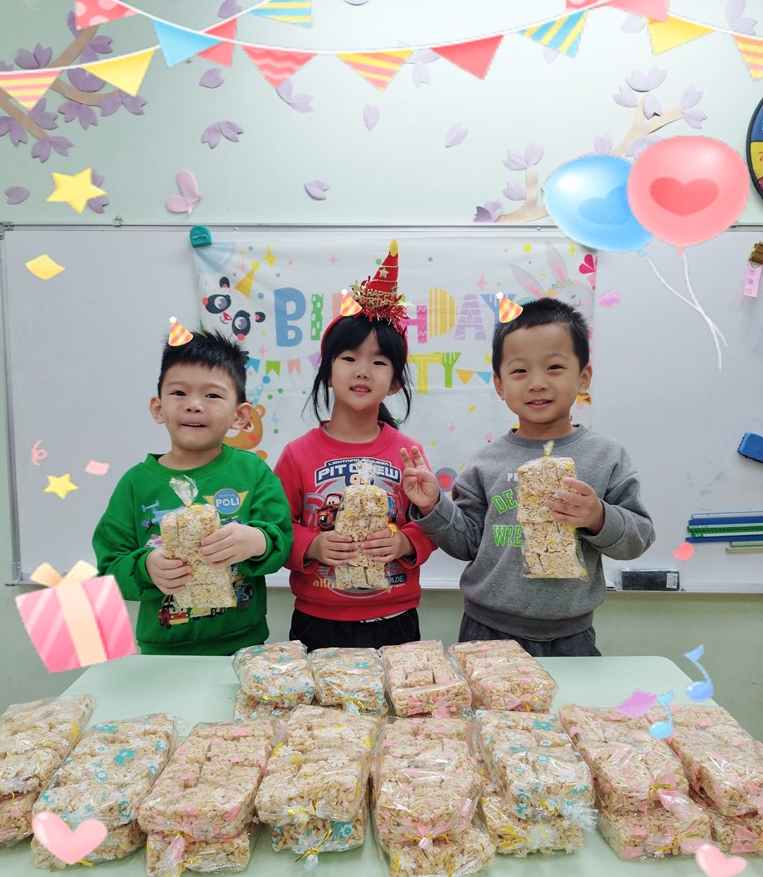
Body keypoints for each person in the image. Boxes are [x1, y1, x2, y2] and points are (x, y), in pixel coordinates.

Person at [400, 296, 655, 657]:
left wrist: (598, 516)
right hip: (487, 629)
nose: (536, 383)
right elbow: (467, 544)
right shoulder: (485, 462)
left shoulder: (606, 456)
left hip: (571, 635)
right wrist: (432, 507)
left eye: (554, 367)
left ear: (583, 377)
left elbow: (638, 538)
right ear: (500, 384)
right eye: (520, 371)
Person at [274, 240, 436, 650]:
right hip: (318, 620)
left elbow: (429, 524)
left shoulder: (408, 452)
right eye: (349, 358)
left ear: (395, 382)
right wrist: (312, 544)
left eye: (378, 362)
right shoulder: (297, 454)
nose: (363, 371)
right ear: (328, 371)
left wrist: (406, 541)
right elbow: (277, 527)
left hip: (396, 619)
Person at [93, 329, 293, 655]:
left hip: (243, 645)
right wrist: (146, 567)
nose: (194, 405)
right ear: (158, 408)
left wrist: (258, 541)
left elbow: (281, 541)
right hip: (164, 653)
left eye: (212, 395)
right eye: (179, 393)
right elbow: (109, 568)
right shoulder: (136, 484)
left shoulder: (253, 472)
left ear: (240, 416)